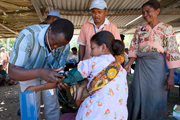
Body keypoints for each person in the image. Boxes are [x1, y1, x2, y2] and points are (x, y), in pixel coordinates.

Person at [8, 19, 74, 120]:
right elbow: (12, 72)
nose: (56, 47)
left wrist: (60, 79)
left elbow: (58, 70)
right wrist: (40, 72)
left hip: (49, 76)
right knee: (31, 106)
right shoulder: (28, 36)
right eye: (55, 42)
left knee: (52, 103)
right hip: (27, 73)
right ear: (49, 29)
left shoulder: (64, 46)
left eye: (60, 45)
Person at [124, 0, 180, 119]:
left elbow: (172, 51)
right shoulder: (140, 28)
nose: (145, 15)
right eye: (143, 13)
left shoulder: (167, 28)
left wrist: (171, 76)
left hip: (157, 67)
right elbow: (134, 47)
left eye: (148, 11)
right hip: (141, 66)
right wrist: (129, 63)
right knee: (137, 92)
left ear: (157, 11)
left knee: (156, 95)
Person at [60, 31, 128, 120]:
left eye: (92, 48)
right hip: (120, 116)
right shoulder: (121, 70)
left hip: (95, 115)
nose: (91, 53)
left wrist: (60, 79)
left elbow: (69, 78)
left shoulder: (93, 62)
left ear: (103, 47)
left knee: (64, 117)